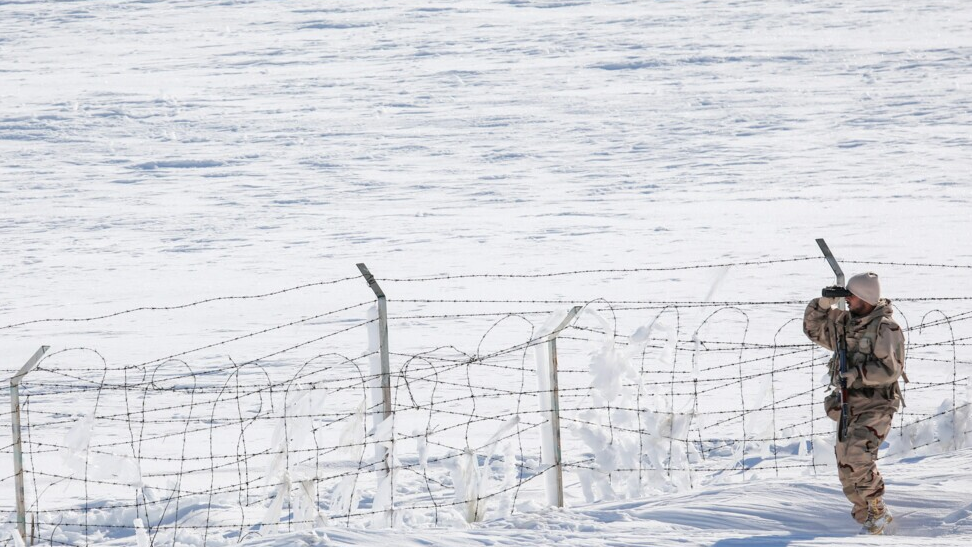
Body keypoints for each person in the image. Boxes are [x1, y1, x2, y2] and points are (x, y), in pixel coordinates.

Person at [803, 271, 905, 535]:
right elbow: (813, 329)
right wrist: (823, 305)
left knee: (859, 456)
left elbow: (891, 369)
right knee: (846, 465)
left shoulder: (885, 327)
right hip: (849, 404)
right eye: (846, 295)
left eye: (853, 296)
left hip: (876, 405)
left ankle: (878, 511)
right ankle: (869, 520)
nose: (847, 300)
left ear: (867, 298)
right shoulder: (845, 322)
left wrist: (858, 374)